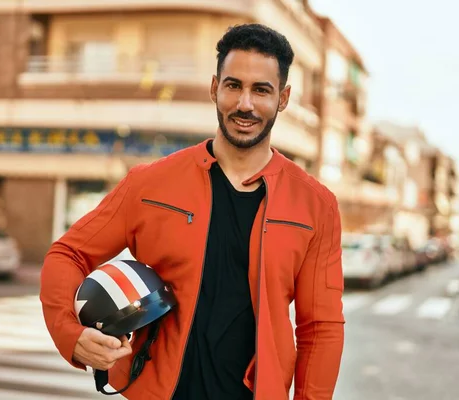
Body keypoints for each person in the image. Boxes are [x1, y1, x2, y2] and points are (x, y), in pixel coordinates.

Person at [40, 23, 345, 400]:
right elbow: (67, 254)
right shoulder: (150, 183)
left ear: (283, 98)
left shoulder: (316, 205)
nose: (245, 104)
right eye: (234, 86)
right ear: (215, 88)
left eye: (261, 90)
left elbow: (321, 327)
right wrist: (70, 334)